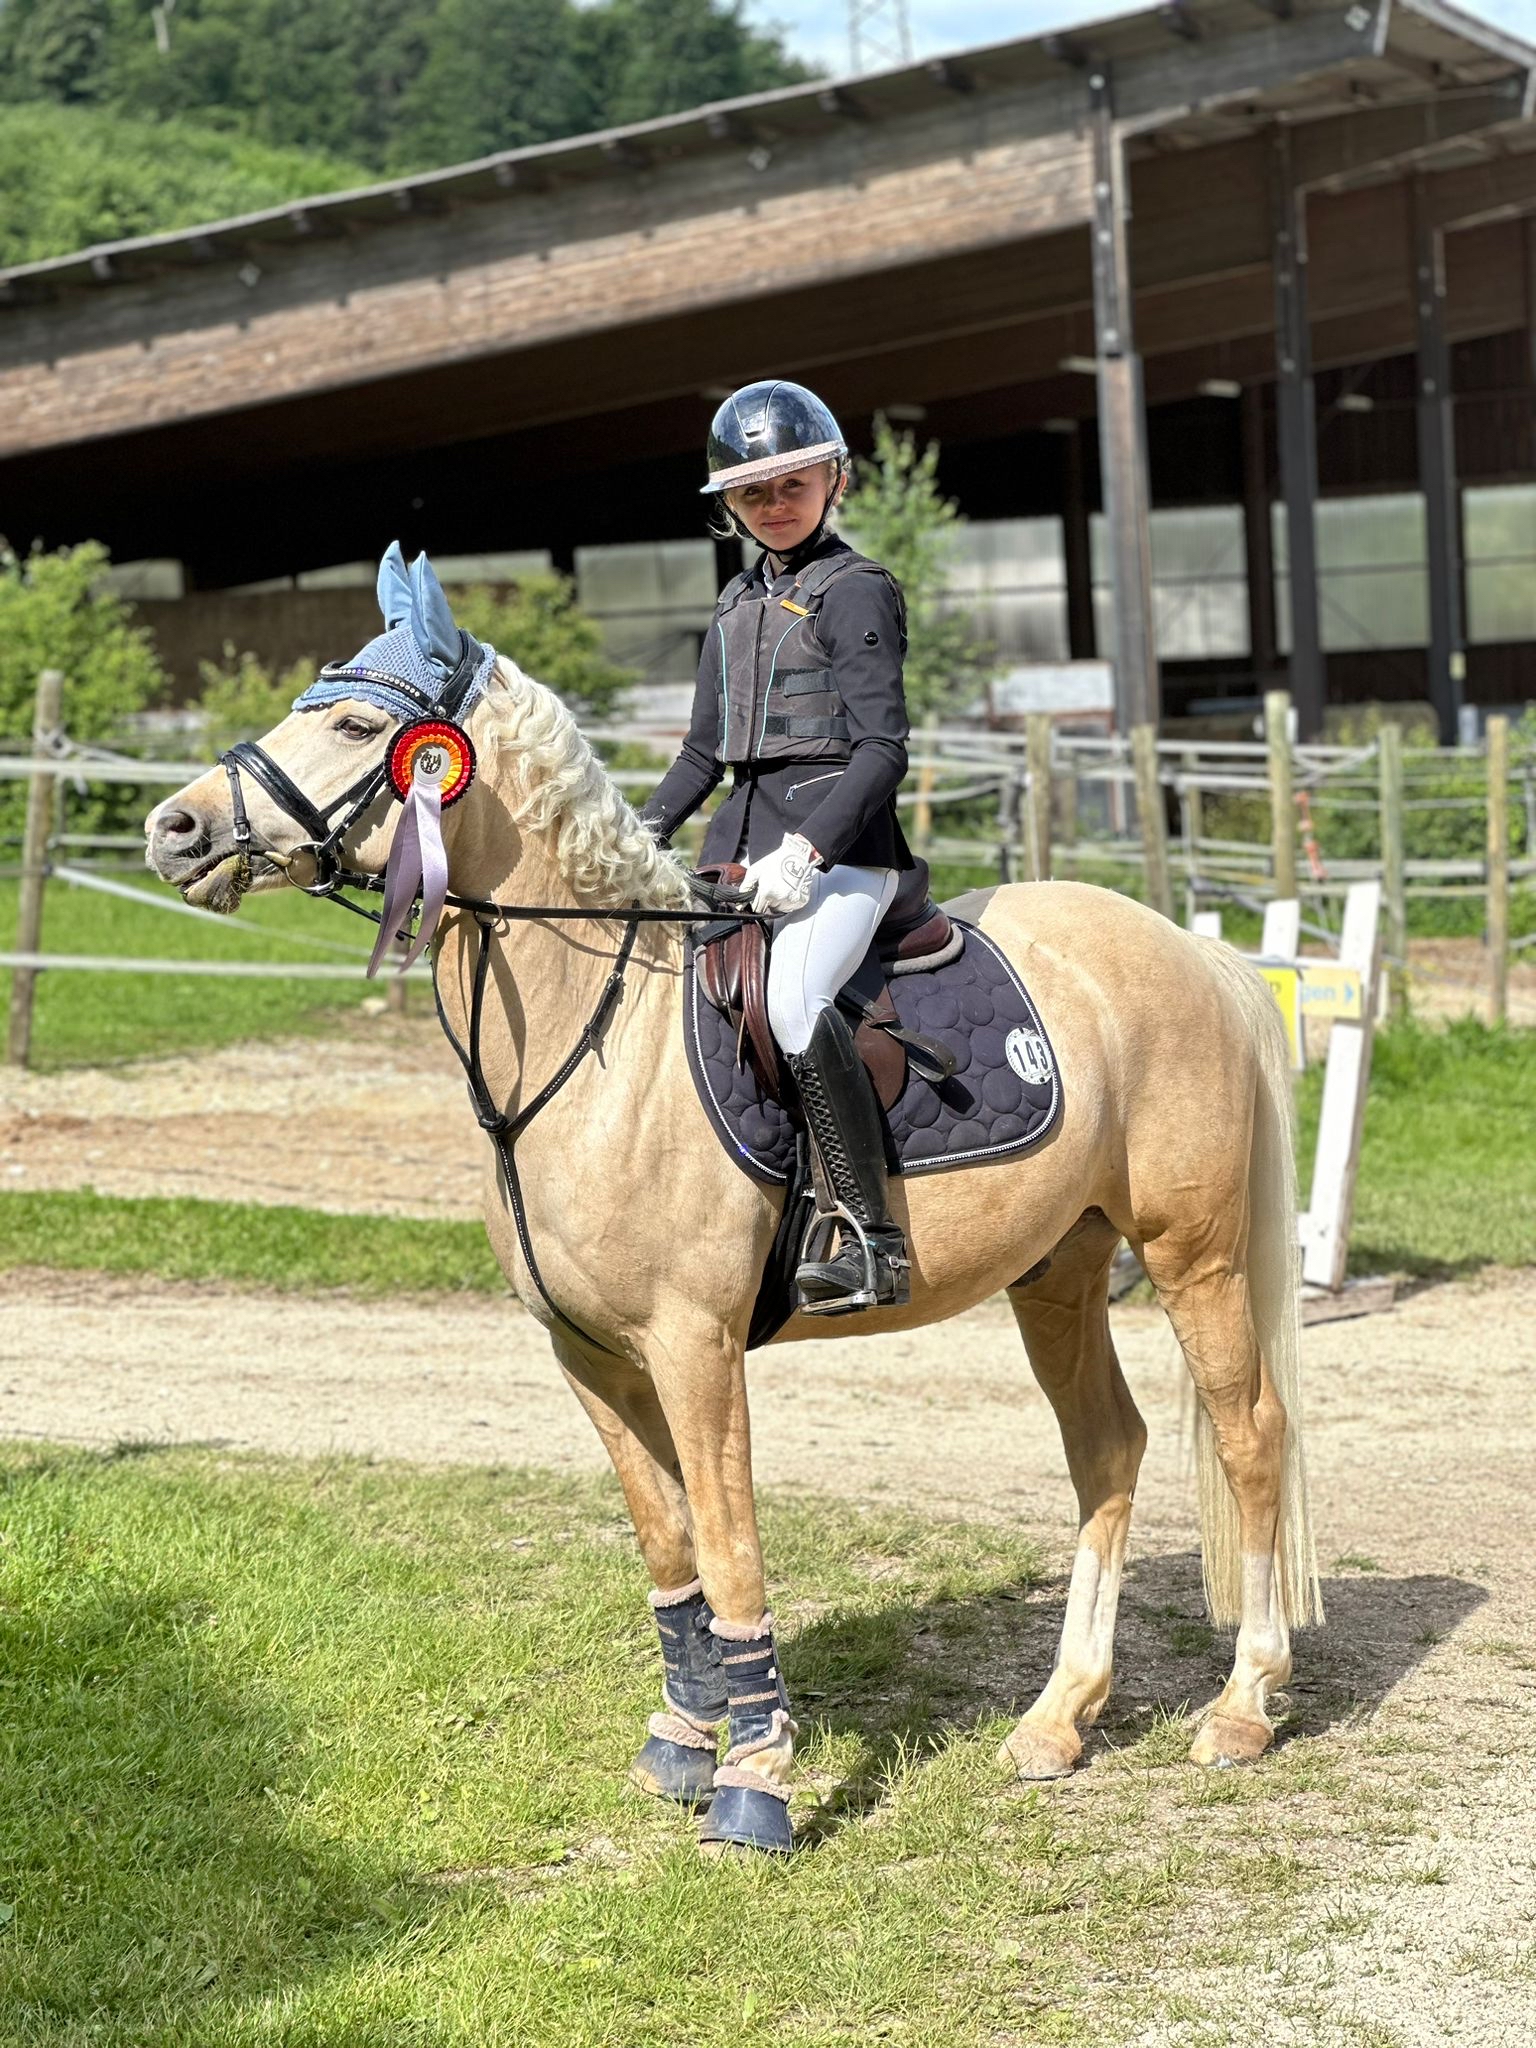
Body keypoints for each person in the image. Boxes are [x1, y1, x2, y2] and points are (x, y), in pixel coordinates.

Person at [639, 379, 915, 1315]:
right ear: (733, 509)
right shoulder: (733, 606)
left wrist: (808, 853)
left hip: (845, 852)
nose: (777, 504)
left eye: (794, 483)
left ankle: (872, 1240)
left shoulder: (855, 589)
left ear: (833, 479)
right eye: (756, 494)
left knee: (795, 1003)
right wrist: (637, 832)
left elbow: (882, 750)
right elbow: (702, 754)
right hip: (738, 848)